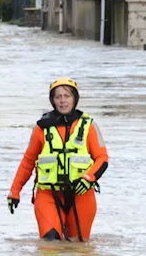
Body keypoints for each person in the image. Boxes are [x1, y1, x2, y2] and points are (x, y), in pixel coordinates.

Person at [7, 77, 109, 241]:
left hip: (81, 195)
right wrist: (15, 191)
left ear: (75, 98)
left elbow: (102, 159)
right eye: (58, 97)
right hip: (48, 195)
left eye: (67, 96)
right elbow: (28, 162)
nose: (62, 101)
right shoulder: (41, 128)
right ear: (52, 100)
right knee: (50, 244)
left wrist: (88, 178)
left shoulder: (89, 126)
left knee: (78, 249)